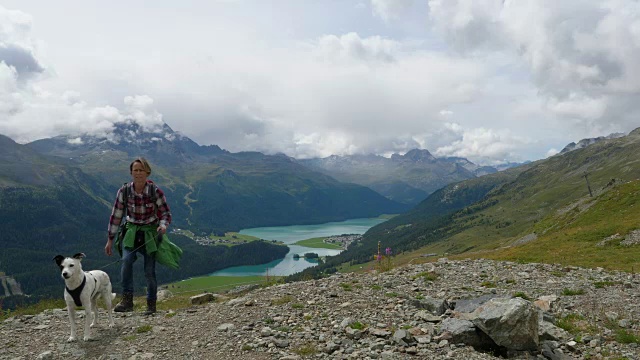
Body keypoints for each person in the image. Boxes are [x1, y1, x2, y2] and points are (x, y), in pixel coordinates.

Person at [105, 157, 181, 315]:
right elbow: (116, 216)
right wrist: (110, 239)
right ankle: (127, 301)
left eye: (141, 170)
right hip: (131, 232)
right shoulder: (124, 191)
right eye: (135, 170)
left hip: (150, 233)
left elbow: (165, 213)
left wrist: (163, 225)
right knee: (126, 261)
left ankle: (151, 305)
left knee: (149, 270)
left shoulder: (155, 191)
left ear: (147, 172)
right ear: (131, 172)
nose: (138, 173)